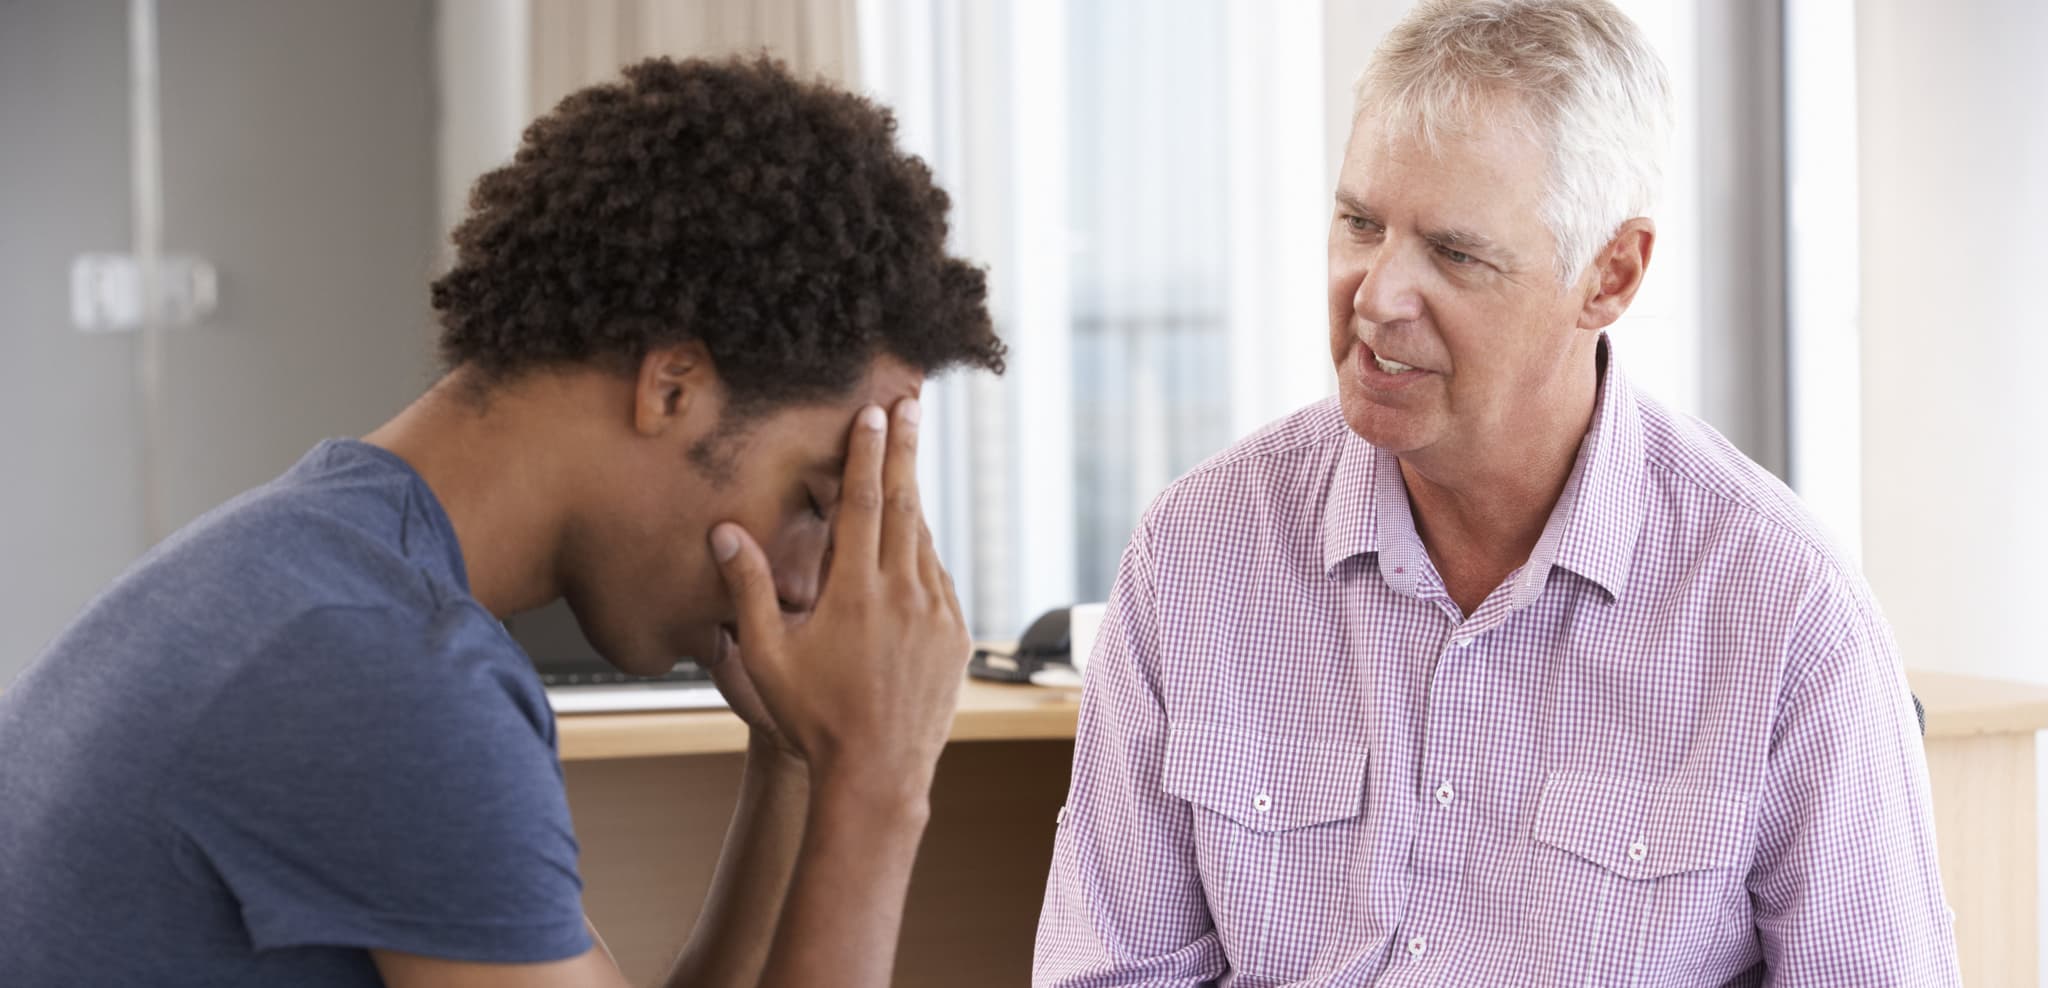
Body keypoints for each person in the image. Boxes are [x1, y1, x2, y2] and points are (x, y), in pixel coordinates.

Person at [0, 55, 1005, 988]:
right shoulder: (381, 670)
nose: (808, 583)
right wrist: (878, 783)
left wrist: (796, 763)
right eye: (815, 501)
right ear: (672, 387)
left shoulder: (323, 570)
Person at [1033, 1, 1959, 984]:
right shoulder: (1197, 550)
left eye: (1455, 253)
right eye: (1359, 224)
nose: (1375, 296)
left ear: (1609, 275)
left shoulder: (1787, 613)